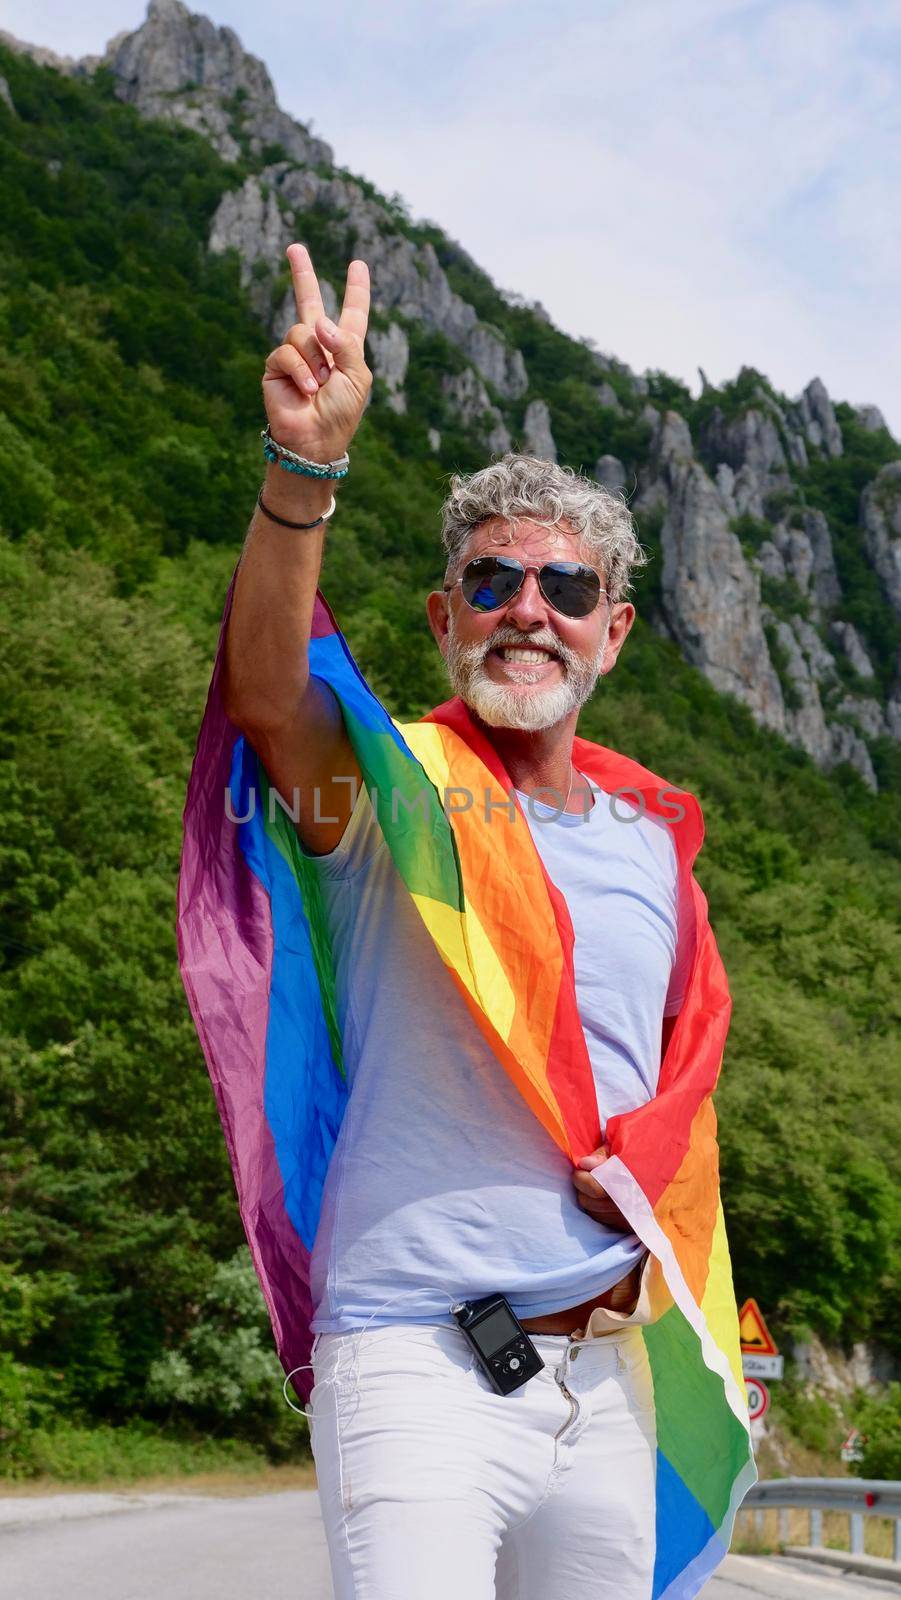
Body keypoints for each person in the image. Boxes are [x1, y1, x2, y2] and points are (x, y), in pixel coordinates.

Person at [183, 245, 752, 1600]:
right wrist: (302, 473)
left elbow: (665, 1112)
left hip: (608, 1379)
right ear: (447, 618)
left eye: (562, 594)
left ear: (610, 635)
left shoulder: (656, 847)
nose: (527, 615)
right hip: (413, 1359)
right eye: (493, 586)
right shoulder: (391, 800)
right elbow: (268, 700)